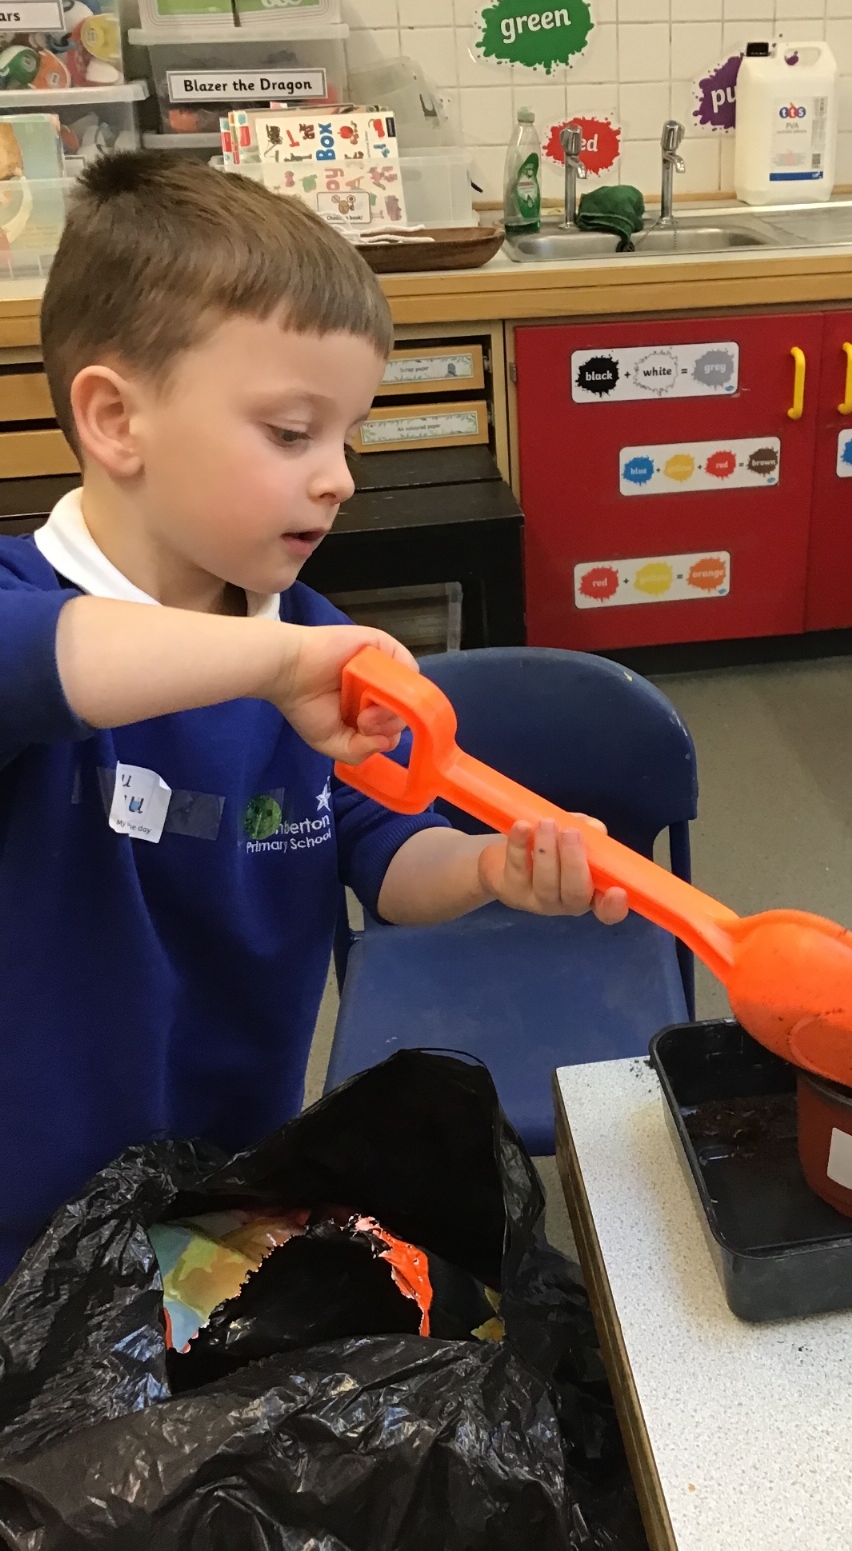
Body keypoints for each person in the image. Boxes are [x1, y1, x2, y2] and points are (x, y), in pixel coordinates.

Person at [0, 152, 628, 1280]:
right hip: (26, 1222)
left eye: (348, 436)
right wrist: (278, 661)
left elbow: (383, 851)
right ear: (116, 419)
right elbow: (46, 662)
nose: (338, 477)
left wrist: (486, 867)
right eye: (292, 433)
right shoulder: (35, 609)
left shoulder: (314, 646)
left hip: (226, 1186)